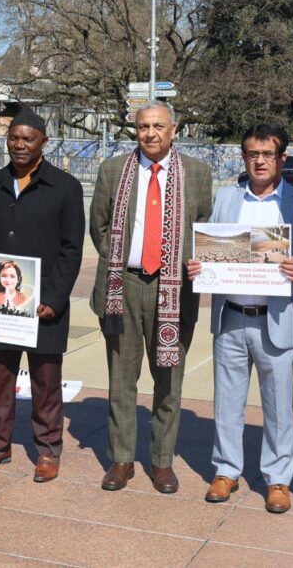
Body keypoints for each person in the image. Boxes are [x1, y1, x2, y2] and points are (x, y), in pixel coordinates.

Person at [187, 124, 293, 514]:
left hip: (276, 319)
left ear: (282, 159)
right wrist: (199, 264)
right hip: (231, 316)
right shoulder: (226, 197)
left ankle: (278, 479)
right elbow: (211, 246)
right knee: (227, 401)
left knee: (278, 404)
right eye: (253, 154)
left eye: (268, 154)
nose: (260, 161)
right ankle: (226, 470)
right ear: (244, 158)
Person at [89, 101, 213, 494]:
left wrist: (187, 262)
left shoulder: (197, 173)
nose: (150, 134)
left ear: (173, 129)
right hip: (122, 287)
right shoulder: (113, 171)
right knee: (121, 379)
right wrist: (123, 258)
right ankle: (122, 459)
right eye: (143, 126)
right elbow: (99, 226)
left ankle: (162, 461)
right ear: (135, 130)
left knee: (168, 380)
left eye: (158, 126)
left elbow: (204, 227)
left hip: (173, 290)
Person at [0, 107, 84, 482]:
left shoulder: (65, 187)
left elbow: (71, 249)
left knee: (45, 381)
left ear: (43, 143)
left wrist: (55, 297)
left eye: (27, 139)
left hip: (44, 304)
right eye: (13, 138)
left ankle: (48, 450)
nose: (19, 145)